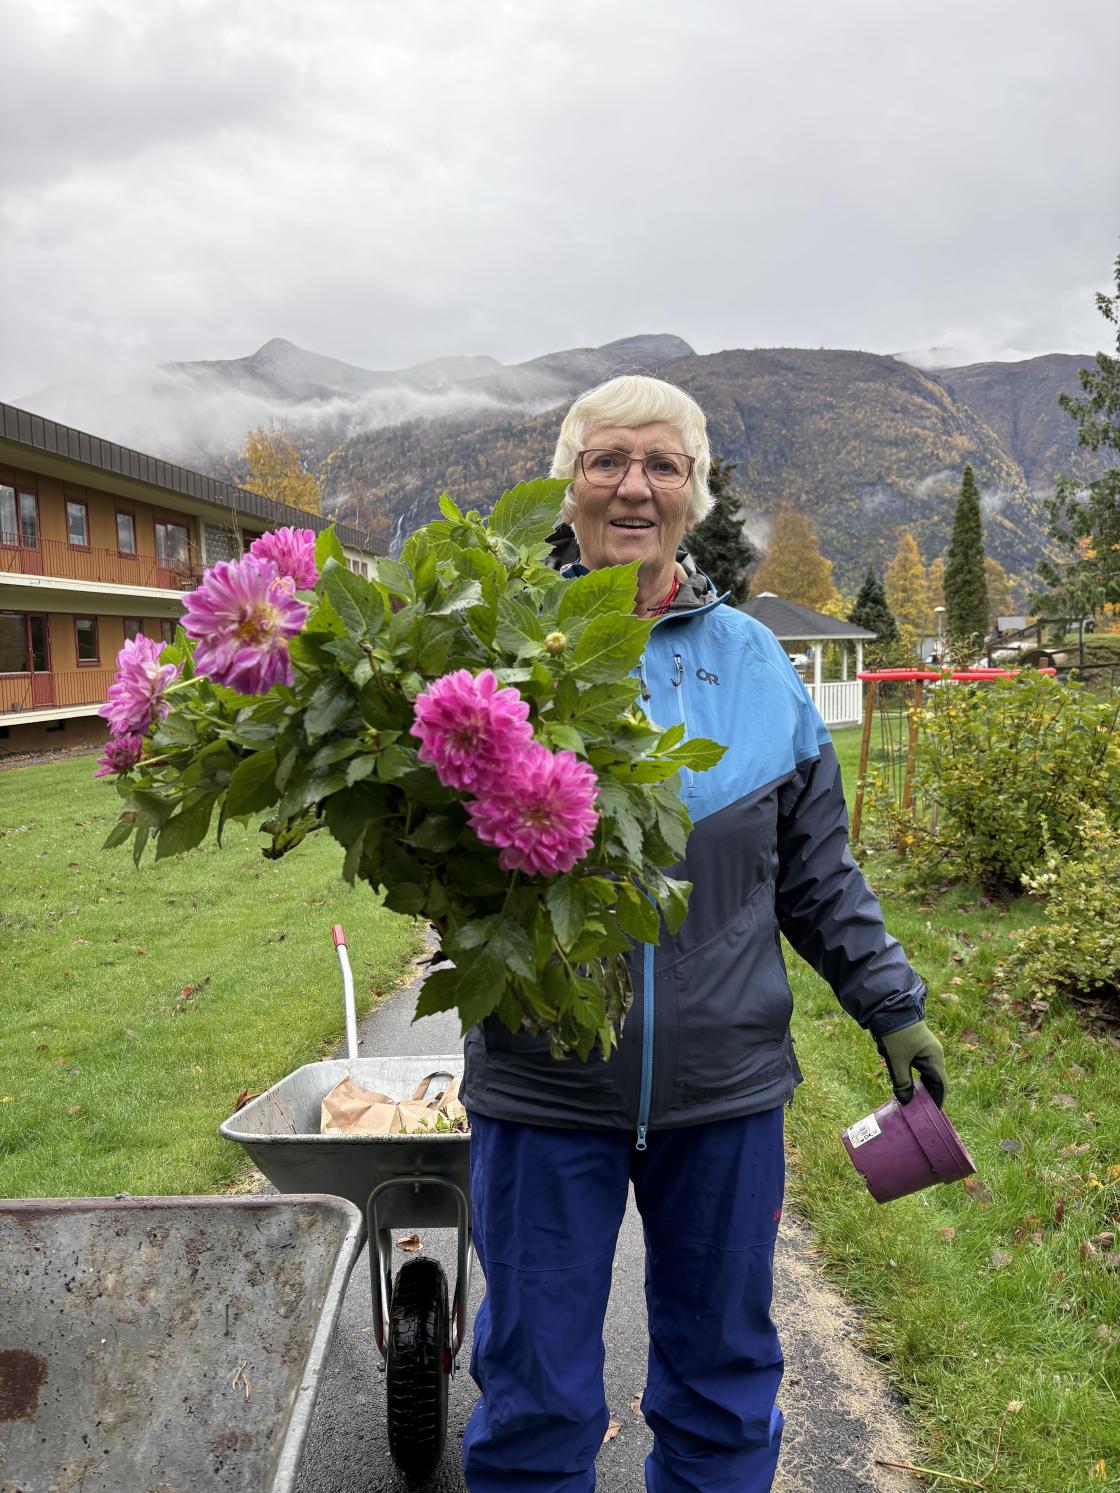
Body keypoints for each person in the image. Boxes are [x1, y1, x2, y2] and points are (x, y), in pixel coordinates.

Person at [461, 374, 948, 1493]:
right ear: (566, 485)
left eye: (663, 464)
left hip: (722, 1091)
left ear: (695, 491)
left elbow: (818, 876)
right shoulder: (495, 650)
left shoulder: (754, 663)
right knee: (534, 1392)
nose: (634, 485)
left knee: (724, 1383)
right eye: (607, 460)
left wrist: (893, 1004)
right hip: (542, 1085)